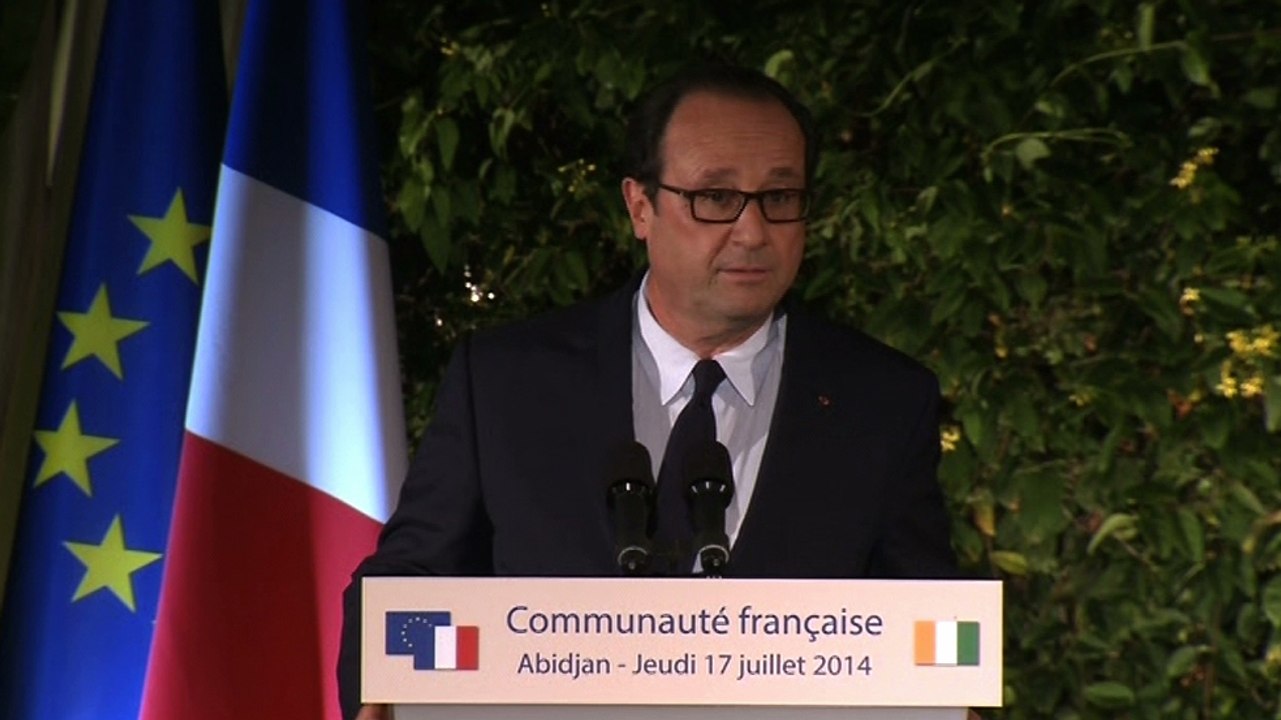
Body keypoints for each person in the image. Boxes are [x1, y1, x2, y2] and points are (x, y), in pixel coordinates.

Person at [338, 63, 958, 720]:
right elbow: (408, 580)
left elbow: (927, 618)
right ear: (640, 206)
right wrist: (391, 689)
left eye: (779, 197)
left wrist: (952, 692)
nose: (753, 232)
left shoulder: (882, 402)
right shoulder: (503, 382)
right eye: (715, 197)